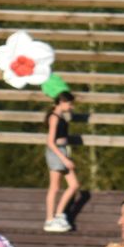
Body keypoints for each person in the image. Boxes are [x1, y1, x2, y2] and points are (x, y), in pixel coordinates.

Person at [44, 91, 80, 232]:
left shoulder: (60, 116)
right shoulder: (54, 117)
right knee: (54, 187)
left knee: (74, 185)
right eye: (70, 103)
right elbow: (50, 141)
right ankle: (49, 219)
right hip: (56, 153)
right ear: (62, 102)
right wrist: (64, 158)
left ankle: (59, 214)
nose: (71, 107)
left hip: (63, 151)